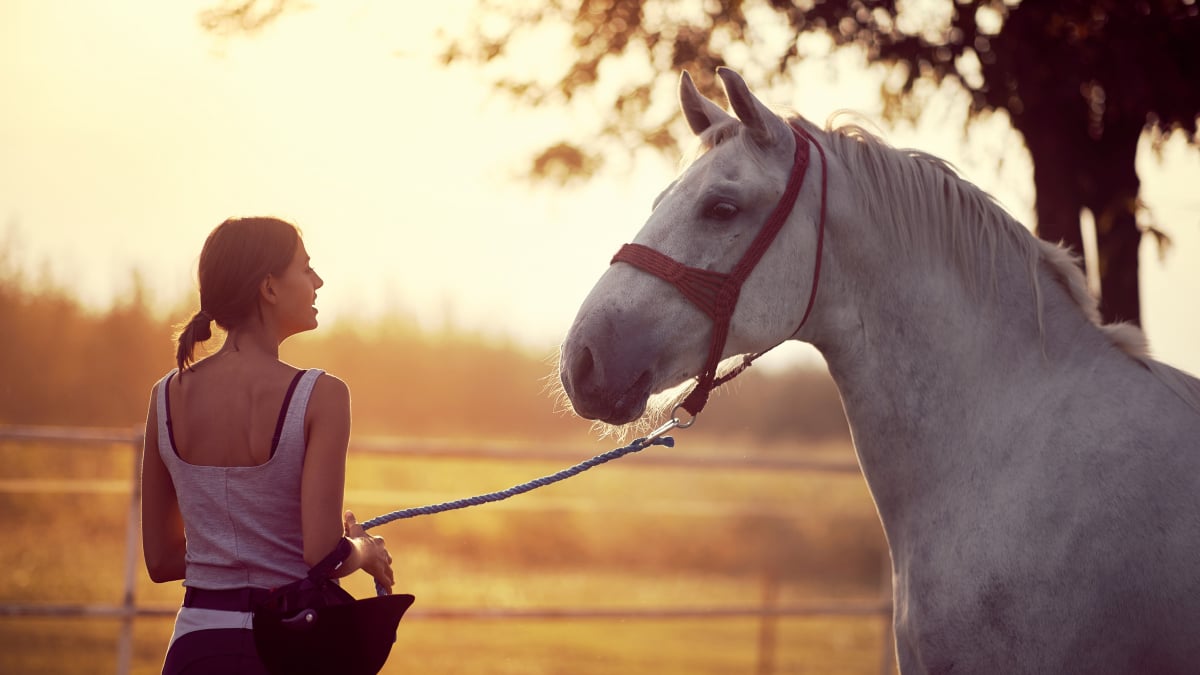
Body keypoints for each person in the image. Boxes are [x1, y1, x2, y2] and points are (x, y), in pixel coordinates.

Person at [140, 216, 394, 674]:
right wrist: (366, 550)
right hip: (283, 650)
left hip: (193, 648)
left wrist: (230, 556)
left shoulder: (165, 396)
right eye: (306, 268)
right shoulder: (323, 394)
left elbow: (160, 560)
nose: (318, 281)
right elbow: (324, 556)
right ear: (270, 288)